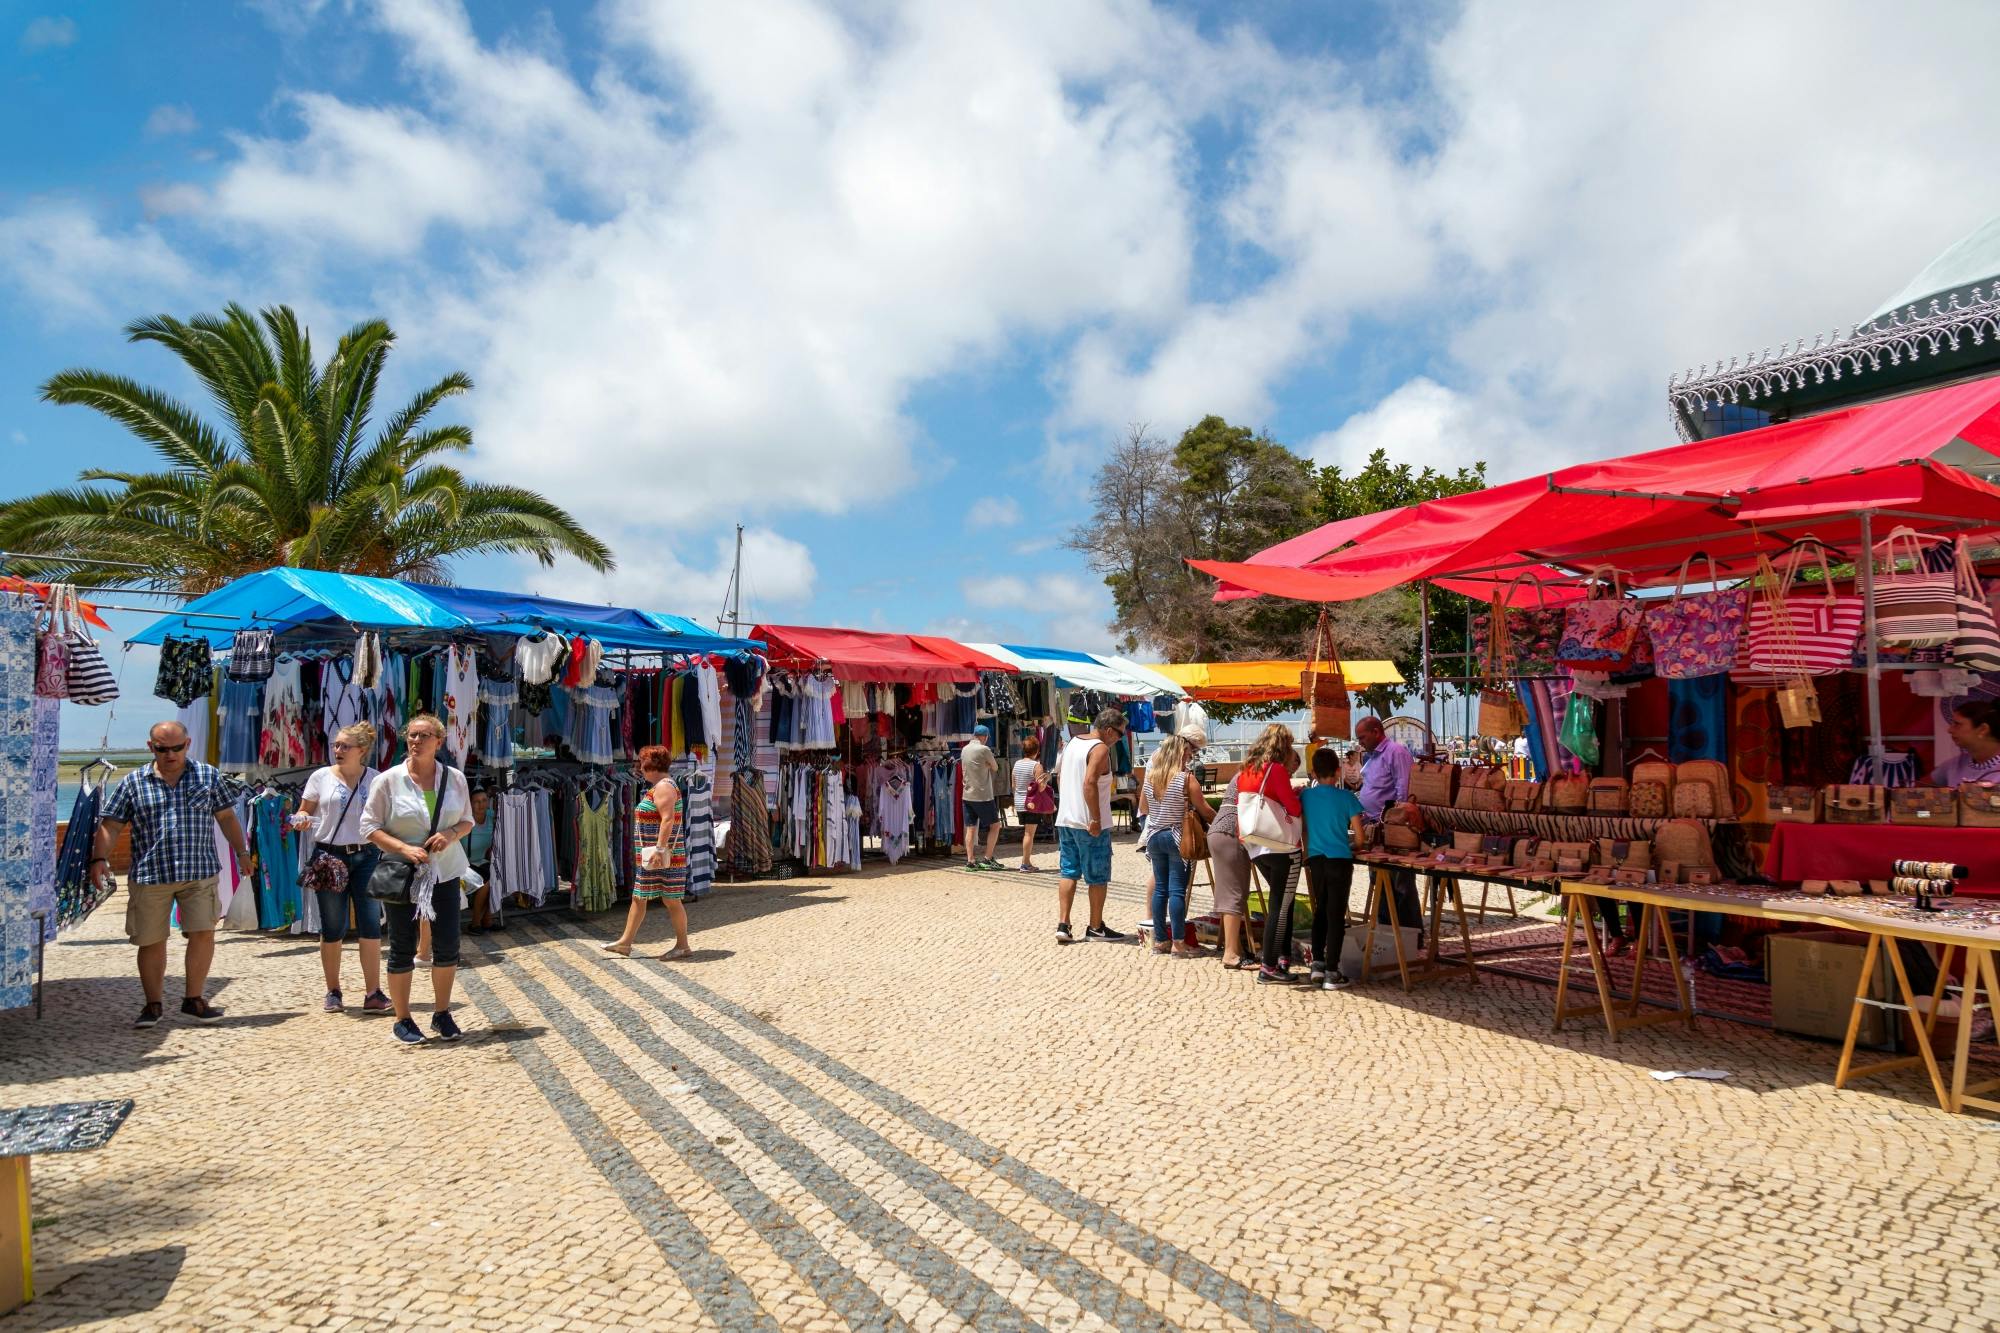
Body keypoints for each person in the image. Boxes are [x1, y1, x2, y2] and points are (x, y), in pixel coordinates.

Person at [93, 719, 256, 1028]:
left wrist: (242, 852)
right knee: (151, 940)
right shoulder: (134, 782)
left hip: (199, 870)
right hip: (151, 873)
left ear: (188, 744)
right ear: (151, 747)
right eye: (162, 749)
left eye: (177, 748)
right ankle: (152, 1005)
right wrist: (99, 858)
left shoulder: (207, 776)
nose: (170, 754)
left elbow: (226, 817)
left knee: (203, 933)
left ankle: (193, 999)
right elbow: (111, 824)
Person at [361, 712, 475, 1046]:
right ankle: (403, 1018)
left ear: (439, 742)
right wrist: (404, 848)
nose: (416, 741)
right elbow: (369, 827)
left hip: (445, 871)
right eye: (411, 735)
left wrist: (451, 833)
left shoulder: (454, 779)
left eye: (424, 736)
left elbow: (467, 819)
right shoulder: (388, 780)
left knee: (447, 944)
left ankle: (442, 1012)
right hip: (403, 873)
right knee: (401, 945)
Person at [290, 721, 387, 1014]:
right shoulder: (320, 777)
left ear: (362, 750)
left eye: (345, 746)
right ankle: (333, 990)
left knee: (370, 923)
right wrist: (301, 819)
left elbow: (386, 817)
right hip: (330, 857)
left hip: (367, 855)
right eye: (336, 745)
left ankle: (373, 992)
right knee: (333, 926)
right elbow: (303, 811)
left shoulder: (377, 780)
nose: (338, 750)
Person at [602, 746, 692, 960]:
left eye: (642, 764)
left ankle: (683, 945)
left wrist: (660, 849)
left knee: (671, 899)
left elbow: (668, 819)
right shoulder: (660, 786)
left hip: (662, 855)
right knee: (640, 896)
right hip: (654, 855)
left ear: (651, 765)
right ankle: (625, 943)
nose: (640, 768)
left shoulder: (664, 787)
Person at [1054, 708, 1131, 944]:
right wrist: (1095, 818)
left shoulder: (1072, 743)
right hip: (1089, 823)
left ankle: (1063, 925)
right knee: (1097, 876)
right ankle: (1095, 927)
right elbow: (1090, 783)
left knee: (1069, 872)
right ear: (1109, 730)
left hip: (1066, 819)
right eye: (1119, 734)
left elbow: (1060, 777)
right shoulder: (1100, 749)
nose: (1120, 739)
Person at [1240, 724, 1306, 984]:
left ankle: (1281, 958)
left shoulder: (1248, 769)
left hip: (1256, 845)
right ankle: (1269, 965)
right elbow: (1292, 807)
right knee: (1280, 906)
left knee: (1282, 903)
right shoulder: (1275, 770)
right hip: (1281, 846)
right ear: (1283, 746)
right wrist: (1298, 796)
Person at [1142, 729, 1214, 958]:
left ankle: (1161, 941)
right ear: (1179, 754)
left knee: (1160, 890)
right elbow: (1204, 809)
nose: (1189, 757)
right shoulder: (1185, 778)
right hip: (1176, 836)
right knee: (1176, 891)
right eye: (1187, 753)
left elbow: (1143, 809)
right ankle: (1179, 943)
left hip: (1154, 836)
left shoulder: (1152, 778)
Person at [1301, 746, 1365, 990]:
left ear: (1314, 772)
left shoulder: (1306, 796)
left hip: (1316, 859)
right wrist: (1352, 844)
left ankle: (1317, 963)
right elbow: (1359, 837)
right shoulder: (1347, 798)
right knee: (1336, 915)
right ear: (1338, 772)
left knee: (1320, 911)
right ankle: (1332, 970)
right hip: (1340, 858)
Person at [1355, 716, 1423, 936]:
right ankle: (1387, 930)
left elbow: (1403, 788)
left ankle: (1411, 934)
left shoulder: (1396, 752)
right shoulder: (1371, 756)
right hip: (1373, 826)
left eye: (1362, 737)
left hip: (1392, 827)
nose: (1360, 742)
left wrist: (1397, 820)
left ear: (1376, 732)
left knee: (1400, 883)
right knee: (1380, 881)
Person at [960, 724, 1004, 870]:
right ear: (985, 737)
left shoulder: (964, 749)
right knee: (995, 826)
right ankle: (988, 857)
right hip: (983, 795)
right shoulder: (984, 749)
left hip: (967, 795)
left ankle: (970, 861)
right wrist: (986, 765)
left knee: (970, 828)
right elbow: (995, 767)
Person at [1929, 699, 2000, 786]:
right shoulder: (1953, 765)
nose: (1949, 730)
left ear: (1983, 729)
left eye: (1957, 724)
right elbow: (1917, 791)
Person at [1011, 737, 1050, 872]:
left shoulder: (1016, 764)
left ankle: (1026, 862)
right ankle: (1025, 863)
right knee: (1029, 834)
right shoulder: (1036, 766)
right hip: (1031, 803)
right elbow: (1041, 787)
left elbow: (1013, 785)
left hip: (1020, 801)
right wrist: (1046, 778)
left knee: (1026, 833)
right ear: (1037, 750)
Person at [462, 787, 497, 934]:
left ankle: (487, 920)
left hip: (481, 861)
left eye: (484, 800)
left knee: (498, 878)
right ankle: (475, 923)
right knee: (486, 883)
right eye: (476, 802)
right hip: (463, 864)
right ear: (470, 804)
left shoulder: (491, 816)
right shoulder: (465, 820)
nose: (481, 804)